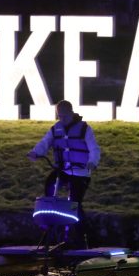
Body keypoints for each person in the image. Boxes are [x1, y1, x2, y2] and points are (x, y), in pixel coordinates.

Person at [27, 100, 100, 249]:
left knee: (75, 202)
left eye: (65, 116)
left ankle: (81, 237)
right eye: (59, 116)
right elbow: (45, 142)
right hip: (64, 171)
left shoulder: (85, 129)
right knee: (49, 184)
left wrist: (93, 161)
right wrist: (35, 152)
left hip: (80, 173)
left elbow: (94, 148)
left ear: (71, 113)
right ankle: (51, 224)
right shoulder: (56, 128)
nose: (62, 120)